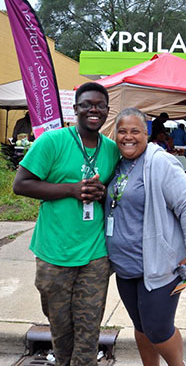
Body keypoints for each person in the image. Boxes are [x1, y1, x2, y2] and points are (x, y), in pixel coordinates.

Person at [12, 82, 120, 366]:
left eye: (100, 105)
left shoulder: (111, 149)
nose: (93, 110)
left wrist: (103, 193)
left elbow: (117, 192)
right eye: (86, 105)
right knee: (61, 332)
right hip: (53, 253)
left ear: (108, 111)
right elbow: (20, 184)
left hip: (94, 255)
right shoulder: (52, 141)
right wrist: (71, 190)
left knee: (88, 333)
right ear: (75, 110)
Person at [106, 107, 186, 366]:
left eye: (135, 131)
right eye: (122, 131)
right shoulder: (116, 163)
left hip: (160, 266)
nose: (128, 137)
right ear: (115, 134)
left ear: (146, 133)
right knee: (141, 327)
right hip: (126, 268)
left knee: (159, 330)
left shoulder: (159, 162)